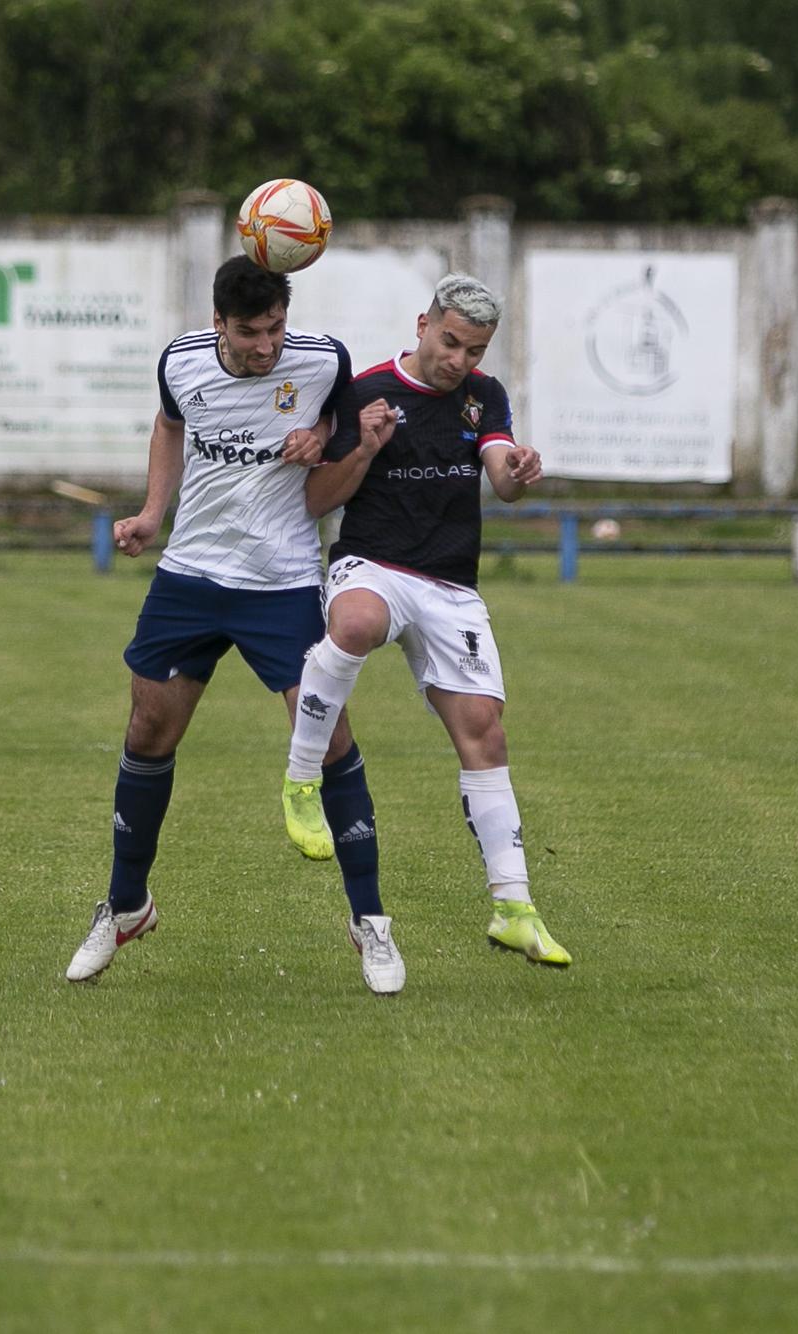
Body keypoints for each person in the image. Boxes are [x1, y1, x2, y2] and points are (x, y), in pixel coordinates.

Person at [66, 256, 399, 991]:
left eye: (276, 327)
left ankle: (370, 921)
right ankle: (125, 907)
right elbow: (168, 424)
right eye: (250, 333)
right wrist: (153, 514)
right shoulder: (180, 361)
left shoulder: (323, 360)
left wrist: (328, 435)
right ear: (218, 323)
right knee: (147, 730)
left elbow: (341, 440)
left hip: (280, 581)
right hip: (189, 576)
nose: (266, 346)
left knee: (329, 735)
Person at [283, 273, 572, 982]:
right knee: (353, 623)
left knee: (485, 732)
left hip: (449, 584)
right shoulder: (363, 392)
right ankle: (300, 780)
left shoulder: (484, 397)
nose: (458, 361)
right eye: (449, 343)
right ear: (422, 325)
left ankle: (514, 907)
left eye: (473, 351)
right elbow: (317, 497)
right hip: (373, 562)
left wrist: (518, 468)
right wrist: (365, 448)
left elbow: (499, 473)